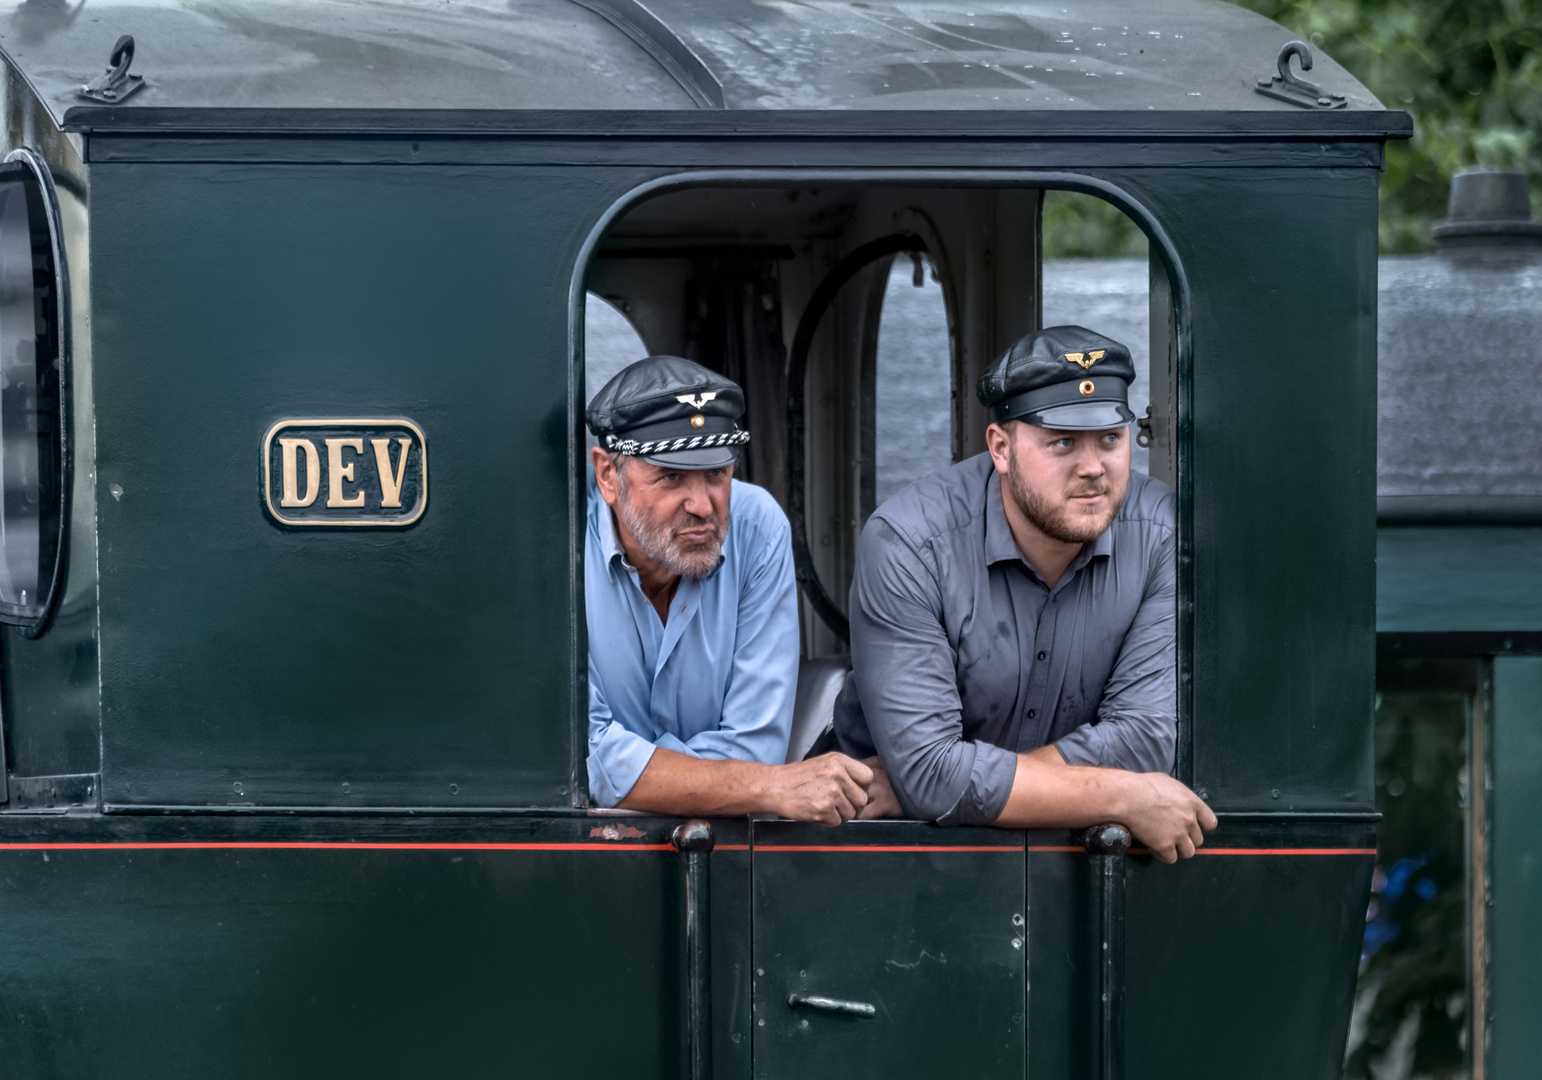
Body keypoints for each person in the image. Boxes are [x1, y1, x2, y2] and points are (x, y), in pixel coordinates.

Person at [835, 327, 1216, 861]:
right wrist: (1120, 794)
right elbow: (929, 773)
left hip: (1064, 862)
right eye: (1062, 442)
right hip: (881, 853)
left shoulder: (1163, 534)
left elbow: (1144, 737)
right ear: (1001, 448)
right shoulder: (910, 542)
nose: (1092, 468)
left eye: (1110, 438)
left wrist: (948, 786)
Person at [586, 355, 875, 825]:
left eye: (717, 474)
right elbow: (586, 757)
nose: (703, 506)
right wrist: (767, 787)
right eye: (672, 476)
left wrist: (637, 776)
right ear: (607, 477)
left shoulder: (758, 526)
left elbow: (752, 745)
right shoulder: (557, 550)